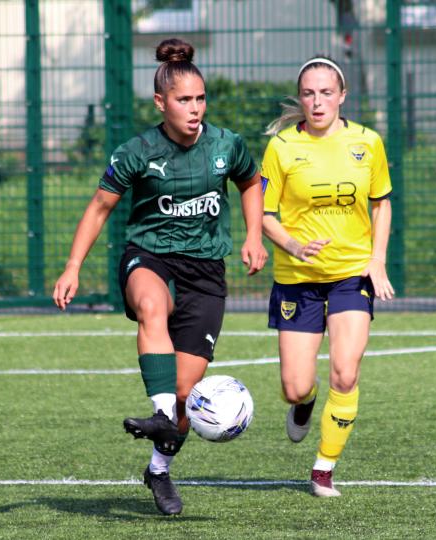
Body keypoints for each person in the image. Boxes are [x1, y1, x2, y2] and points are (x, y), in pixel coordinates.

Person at [52, 38, 267, 515]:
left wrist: (255, 236)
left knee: (189, 396)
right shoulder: (138, 151)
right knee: (152, 305)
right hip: (150, 256)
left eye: (200, 99)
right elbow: (99, 207)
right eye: (184, 100)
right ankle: (162, 413)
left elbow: (252, 183)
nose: (195, 109)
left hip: (206, 272)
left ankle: (158, 470)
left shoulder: (227, 145)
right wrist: (73, 266)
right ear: (160, 103)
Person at [260, 56, 395, 497]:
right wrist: (294, 245)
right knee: (295, 386)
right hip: (297, 277)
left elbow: (381, 203)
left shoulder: (368, 143)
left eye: (325, 92)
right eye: (308, 93)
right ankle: (305, 404)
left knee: (345, 371)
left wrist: (377, 260)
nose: (317, 102)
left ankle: (324, 468)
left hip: (350, 274)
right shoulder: (281, 147)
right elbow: (263, 214)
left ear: (342, 96)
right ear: (300, 98)